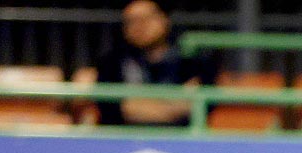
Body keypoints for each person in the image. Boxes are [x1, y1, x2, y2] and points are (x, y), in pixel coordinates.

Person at [93, 0, 217, 128]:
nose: (139, 26)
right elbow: (116, 111)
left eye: (146, 18)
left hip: (180, 142)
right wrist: (172, 106)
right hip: (123, 143)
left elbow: (196, 106)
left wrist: (140, 106)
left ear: (165, 20)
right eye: (131, 21)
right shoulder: (111, 63)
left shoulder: (192, 62)